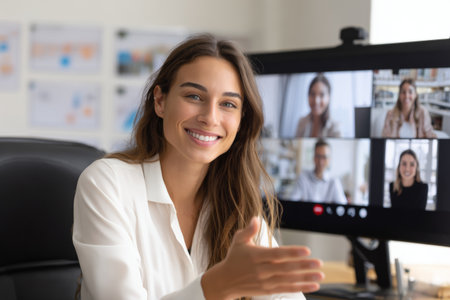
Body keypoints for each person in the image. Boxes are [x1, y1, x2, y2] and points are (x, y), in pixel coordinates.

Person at [72, 34, 324, 300]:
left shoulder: (238, 204)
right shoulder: (107, 183)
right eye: (194, 96)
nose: (210, 118)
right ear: (160, 101)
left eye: (228, 104)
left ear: (240, 120)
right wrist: (217, 286)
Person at [286, 139, 347, 204]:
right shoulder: (303, 177)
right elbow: (292, 200)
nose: (320, 161)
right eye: (318, 156)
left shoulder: (334, 182)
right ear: (313, 157)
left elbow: (342, 206)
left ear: (329, 159)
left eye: (324, 157)